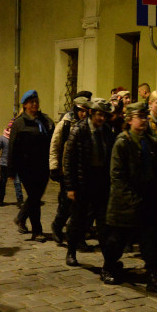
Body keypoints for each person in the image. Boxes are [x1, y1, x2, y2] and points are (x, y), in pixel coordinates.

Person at [101, 102, 157, 293]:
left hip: (147, 201)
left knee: (152, 242)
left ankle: (153, 277)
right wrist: (133, 200)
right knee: (117, 241)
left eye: (146, 117)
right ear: (129, 120)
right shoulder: (122, 142)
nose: (144, 121)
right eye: (140, 117)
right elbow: (117, 177)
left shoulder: (148, 141)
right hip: (126, 203)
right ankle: (108, 267)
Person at [64, 99, 115, 265]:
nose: (102, 119)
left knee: (103, 222)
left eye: (104, 116)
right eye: (99, 114)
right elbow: (69, 160)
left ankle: (109, 260)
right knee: (77, 219)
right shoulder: (79, 130)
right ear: (92, 113)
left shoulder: (106, 130)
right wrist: (70, 186)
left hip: (100, 180)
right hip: (82, 181)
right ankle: (71, 251)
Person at [8, 89, 53, 242]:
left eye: (36, 101)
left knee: (36, 197)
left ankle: (21, 217)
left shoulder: (45, 120)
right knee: (34, 197)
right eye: (31, 102)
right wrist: (11, 169)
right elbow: (12, 147)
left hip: (43, 165)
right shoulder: (19, 123)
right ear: (25, 105)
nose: (35, 104)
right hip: (26, 166)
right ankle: (37, 230)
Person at [49, 96, 89, 244]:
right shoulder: (65, 123)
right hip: (67, 171)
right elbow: (55, 146)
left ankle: (77, 235)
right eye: (81, 111)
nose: (83, 114)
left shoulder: (88, 125)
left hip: (83, 171)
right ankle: (57, 226)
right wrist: (54, 167)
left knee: (81, 207)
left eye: (86, 111)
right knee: (66, 203)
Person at [0, 122, 24, 206]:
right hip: (5, 163)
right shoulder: (3, 138)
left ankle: (20, 200)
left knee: (17, 182)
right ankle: (0, 199)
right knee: (3, 182)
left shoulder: (18, 138)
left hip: (15, 163)